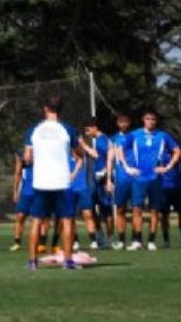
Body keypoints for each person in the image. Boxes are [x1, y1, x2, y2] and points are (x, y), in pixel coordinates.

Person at [25, 95, 84, 270]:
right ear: (61, 109)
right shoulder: (68, 129)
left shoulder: (33, 130)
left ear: (45, 108)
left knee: (36, 221)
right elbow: (79, 153)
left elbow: (27, 158)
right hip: (62, 181)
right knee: (67, 221)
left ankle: (33, 262)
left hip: (41, 181)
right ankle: (67, 261)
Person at [119, 109, 181, 251]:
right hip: (139, 176)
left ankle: (152, 240)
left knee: (155, 210)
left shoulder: (163, 136)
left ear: (156, 121)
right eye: (148, 119)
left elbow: (177, 151)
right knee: (137, 208)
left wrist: (167, 166)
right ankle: (137, 240)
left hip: (155, 177)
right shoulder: (134, 135)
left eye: (153, 119)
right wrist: (127, 167)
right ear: (143, 119)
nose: (151, 121)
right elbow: (120, 149)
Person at [78, 118, 112, 249]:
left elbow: (98, 156)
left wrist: (83, 145)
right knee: (90, 209)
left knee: (106, 209)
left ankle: (110, 238)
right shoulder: (98, 140)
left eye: (88, 129)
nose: (86, 132)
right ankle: (100, 236)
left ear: (94, 127)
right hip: (93, 181)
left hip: (101, 180)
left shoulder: (102, 139)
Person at [106, 112, 134, 250]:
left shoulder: (134, 136)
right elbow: (110, 160)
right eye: (121, 122)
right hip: (121, 178)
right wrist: (108, 180)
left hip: (135, 177)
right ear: (118, 124)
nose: (123, 124)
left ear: (129, 123)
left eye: (126, 121)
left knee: (137, 208)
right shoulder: (113, 139)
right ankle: (122, 240)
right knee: (121, 209)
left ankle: (136, 240)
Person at [160, 135, 181, 249]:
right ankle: (166, 240)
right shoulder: (159, 149)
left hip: (178, 185)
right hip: (163, 186)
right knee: (164, 215)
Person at [10, 148, 35, 251]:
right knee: (20, 216)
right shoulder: (20, 155)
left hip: (39, 191)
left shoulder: (43, 152)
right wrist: (15, 191)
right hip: (25, 192)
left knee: (39, 219)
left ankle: (38, 243)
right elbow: (17, 173)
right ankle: (17, 242)